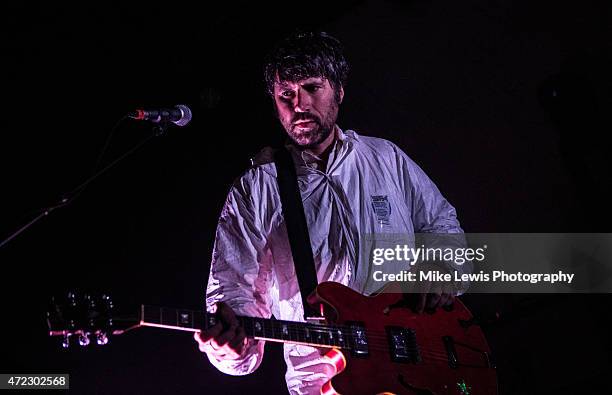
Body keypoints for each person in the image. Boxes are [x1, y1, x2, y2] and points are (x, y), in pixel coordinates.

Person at [194, 31, 468, 394]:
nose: (299, 105)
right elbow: (232, 297)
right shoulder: (256, 189)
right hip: (325, 383)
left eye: (311, 87)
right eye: (286, 94)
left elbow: (441, 224)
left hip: (421, 370)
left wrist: (441, 270)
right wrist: (229, 349)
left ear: (338, 91)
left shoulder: (384, 157)